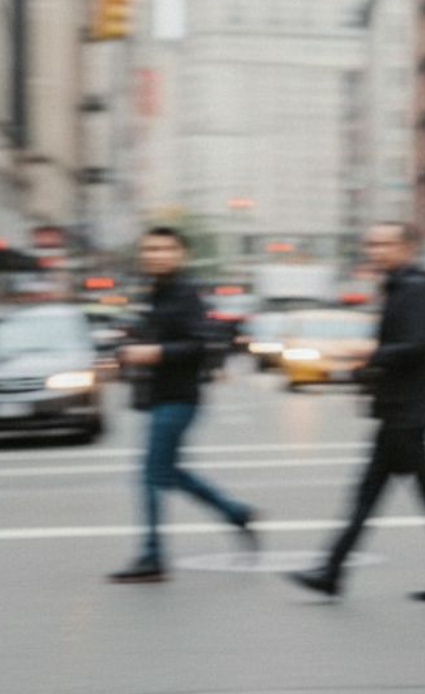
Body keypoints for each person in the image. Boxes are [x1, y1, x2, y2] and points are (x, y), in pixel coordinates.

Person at [289, 222, 425, 601]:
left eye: (384, 244)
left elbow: (415, 345)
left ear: (406, 248)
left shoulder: (414, 286)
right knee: (378, 495)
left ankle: (334, 571)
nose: (375, 250)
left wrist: (367, 354)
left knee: (394, 496)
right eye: (371, 243)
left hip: (407, 412)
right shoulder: (397, 284)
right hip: (397, 410)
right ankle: (334, 571)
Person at [109, 226, 259, 584]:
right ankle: (235, 513)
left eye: (164, 249)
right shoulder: (155, 292)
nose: (156, 255)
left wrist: (153, 352)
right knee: (166, 472)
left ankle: (152, 556)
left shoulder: (184, 292)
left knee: (150, 476)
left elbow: (199, 344)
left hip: (178, 399)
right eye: (150, 249)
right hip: (161, 397)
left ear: (181, 254)